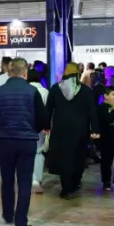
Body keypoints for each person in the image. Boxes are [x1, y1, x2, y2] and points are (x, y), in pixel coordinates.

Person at [0, 58, 48, 226]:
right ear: (25, 72)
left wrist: (0, 132)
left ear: (9, 71)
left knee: (6, 179)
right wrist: (32, 130)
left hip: (4, 141)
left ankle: (7, 215)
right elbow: (42, 119)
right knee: (24, 181)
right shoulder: (32, 91)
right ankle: (21, 223)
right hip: (27, 141)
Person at [46, 63, 98, 199]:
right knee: (79, 158)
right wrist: (95, 129)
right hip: (80, 129)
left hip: (61, 129)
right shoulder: (86, 91)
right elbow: (92, 112)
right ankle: (75, 183)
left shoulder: (55, 89)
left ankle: (66, 188)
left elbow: (48, 110)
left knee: (65, 158)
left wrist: (45, 125)